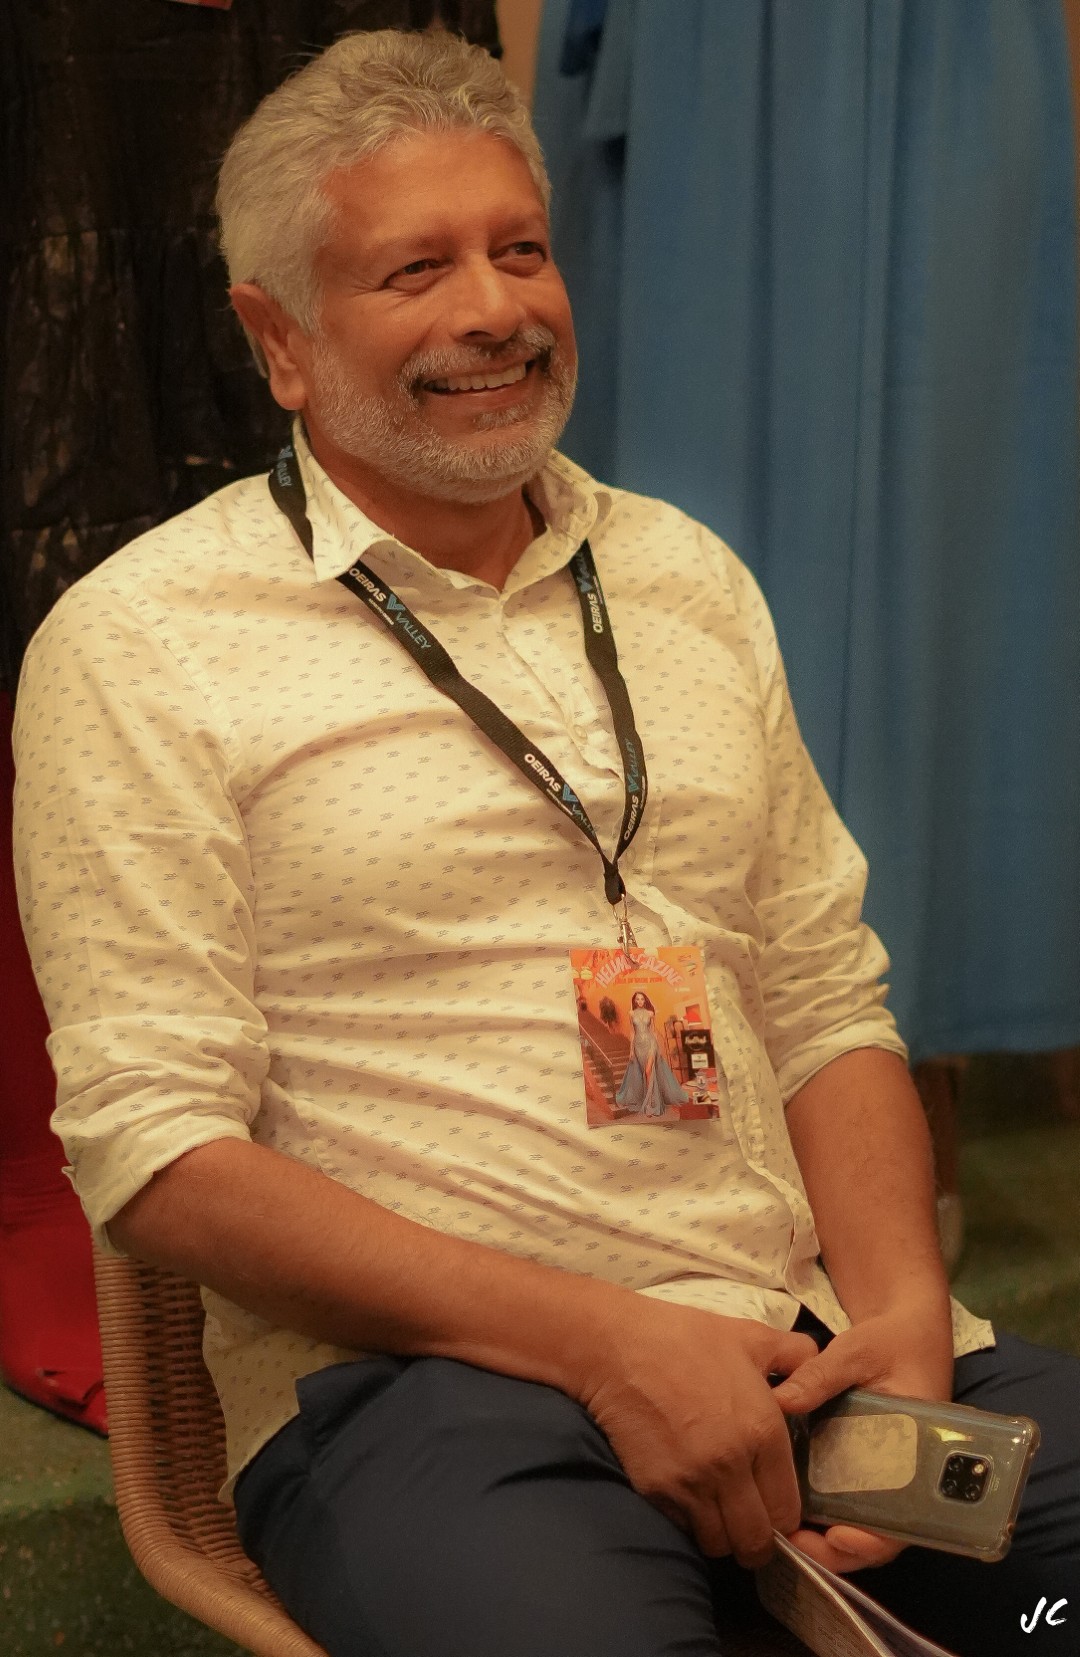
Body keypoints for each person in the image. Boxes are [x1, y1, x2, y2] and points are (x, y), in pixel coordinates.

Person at [10, 28, 1078, 1657]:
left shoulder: (684, 576)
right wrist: (603, 1343)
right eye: (416, 270)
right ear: (279, 338)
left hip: (800, 1346)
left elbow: (821, 991)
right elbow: (157, 1153)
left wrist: (907, 1314)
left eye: (520, 250)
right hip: (427, 1400)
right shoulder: (146, 641)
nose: (495, 308)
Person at [616, 990, 688, 1116]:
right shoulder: (631, 1013)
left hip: (650, 1044)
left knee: (648, 1071)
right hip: (638, 1046)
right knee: (643, 1073)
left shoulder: (650, 1013)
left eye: (642, 999)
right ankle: (649, 1098)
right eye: (637, 999)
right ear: (634, 1001)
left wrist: (657, 1047)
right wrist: (631, 1050)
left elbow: (653, 1031)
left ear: (645, 1000)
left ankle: (651, 1103)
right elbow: (632, 1032)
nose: (640, 1001)